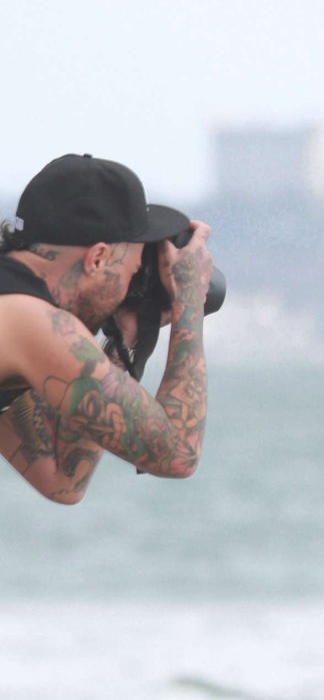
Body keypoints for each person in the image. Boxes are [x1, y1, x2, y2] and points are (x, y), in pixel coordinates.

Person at [0, 153, 212, 503]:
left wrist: (121, 344)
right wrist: (189, 297)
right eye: (134, 268)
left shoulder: (14, 311)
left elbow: (62, 479)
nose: (131, 283)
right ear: (97, 258)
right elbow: (179, 454)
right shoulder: (31, 322)